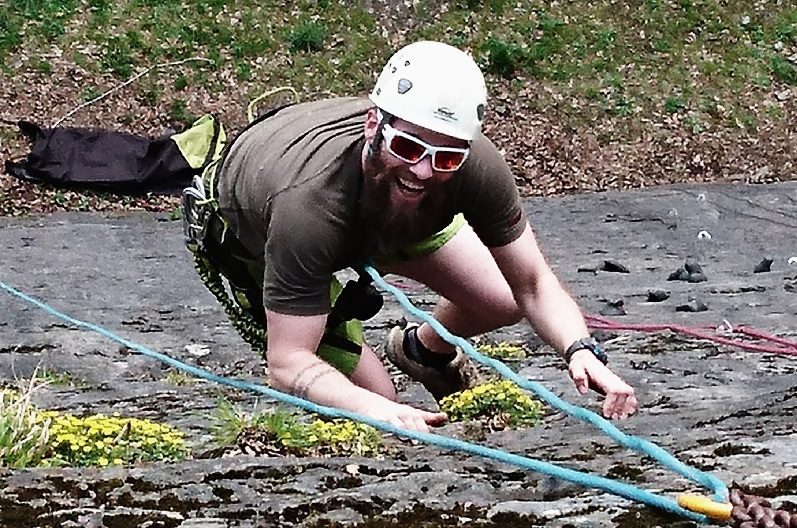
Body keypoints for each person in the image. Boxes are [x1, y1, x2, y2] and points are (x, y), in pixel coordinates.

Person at [183, 40, 638, 433]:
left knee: (500, 300)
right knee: (377, 396)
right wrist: (381, 410)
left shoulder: (467, 165)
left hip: (388, 214)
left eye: (444, 158)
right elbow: (287, 363)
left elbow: (532, 282)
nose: (422, 170)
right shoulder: (308, 209)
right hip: (255, 229)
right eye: (408, 147)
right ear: (373, 126)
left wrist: (581, 351)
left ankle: (423, 350)